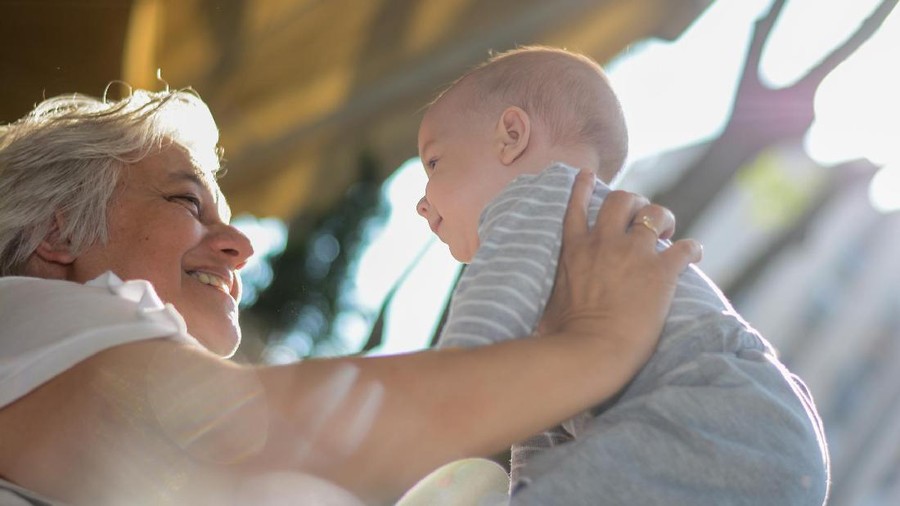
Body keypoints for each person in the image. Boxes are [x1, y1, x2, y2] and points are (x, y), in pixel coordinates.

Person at [0, 87, 700, 505]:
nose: (240, 244)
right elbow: (277, 431)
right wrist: (597, 345)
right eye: (188, 201)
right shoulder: (19, 314)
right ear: (59, 233)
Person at [415, 46, 830, 505]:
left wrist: (436, 395)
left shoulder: (542, 193)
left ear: (511, 136)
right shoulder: (567, 251)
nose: (422, 201)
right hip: (757, 429)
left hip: (716, 403)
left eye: (434, 163)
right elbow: (545, 429)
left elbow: (478, 332)